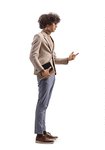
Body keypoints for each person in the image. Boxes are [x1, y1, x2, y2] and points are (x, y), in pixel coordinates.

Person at [30, 13, 78, 144]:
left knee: (45, 104)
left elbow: (53, 59)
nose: (56, 26)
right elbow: (32, 56)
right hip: (44, 75)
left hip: (51, 74)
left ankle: (43, 130)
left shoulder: (50, 38)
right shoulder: (39, 37)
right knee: (42, 104)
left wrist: (68, 59)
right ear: (47, 24)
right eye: (54, 24)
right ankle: (39, 135)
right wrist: (41, 70)